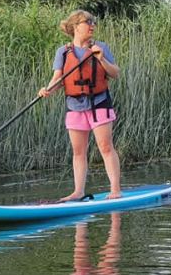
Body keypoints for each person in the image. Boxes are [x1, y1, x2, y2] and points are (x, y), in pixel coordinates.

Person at [38, 10, 121, 201]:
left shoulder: (101, 47)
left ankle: (115, 189)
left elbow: (115, 73)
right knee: (78, 151)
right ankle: (78, 192)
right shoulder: (63, 52)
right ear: (76, 27)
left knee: (105, 147)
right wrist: (47, 90)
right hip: (74, 106)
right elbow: (57, 79)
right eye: (87, 22)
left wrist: (101, 58)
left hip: (99, 103)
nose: (92, 25)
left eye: (93, 22)